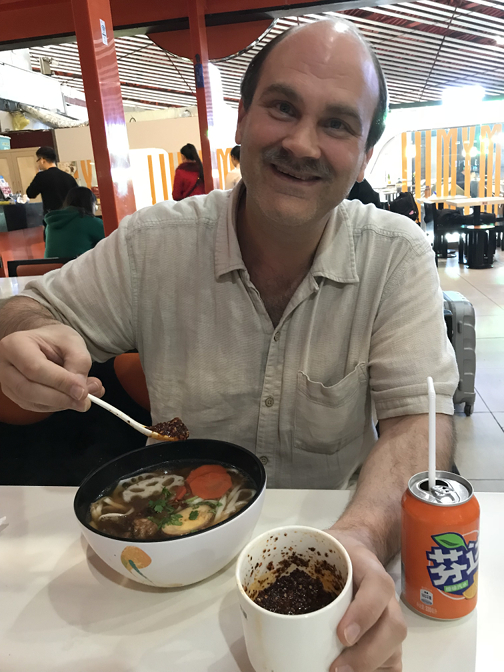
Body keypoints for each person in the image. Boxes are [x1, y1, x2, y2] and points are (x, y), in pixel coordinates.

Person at [0, 19, 458, 672]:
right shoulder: (153, 244)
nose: (301, 143)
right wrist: (22, 339)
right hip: (163, 573)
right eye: (282, 107)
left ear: (366, 153)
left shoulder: (395, 255)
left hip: (332, 556)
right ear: (239, 120)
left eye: (337, 124)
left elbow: (422, 421)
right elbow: (25, 311)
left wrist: (358, 536)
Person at [44, 187, 104, 259]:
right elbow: (112, 240)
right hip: (76, 267)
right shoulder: (90, 221)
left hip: (51, 268)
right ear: (90, 204)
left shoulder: (52, 222)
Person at [26, 146, 78, 215]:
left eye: (37, 160)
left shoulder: (41, 176)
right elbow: (77, 195)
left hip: (52, 217)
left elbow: (30, 194)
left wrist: (36, 177)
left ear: (42, 160)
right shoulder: (68, 177)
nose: (38, 163)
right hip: (69, 215)